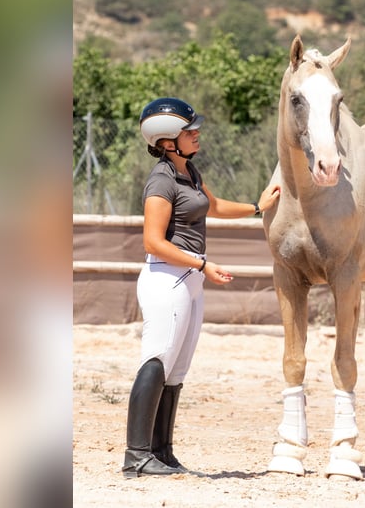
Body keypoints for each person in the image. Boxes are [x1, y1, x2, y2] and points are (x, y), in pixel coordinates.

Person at [122, 97, 281, 478]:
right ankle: (135, 456)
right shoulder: (161, 180)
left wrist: (256, 207)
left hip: (188, 280)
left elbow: (212, 205)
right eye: (189, 131)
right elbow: (153, 241)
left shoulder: (188, 172)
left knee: (176, 369)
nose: (197, 135)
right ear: (166, 140)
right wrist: (203, 264)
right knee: (157, 359)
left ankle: (162, 452)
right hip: (166, 277)